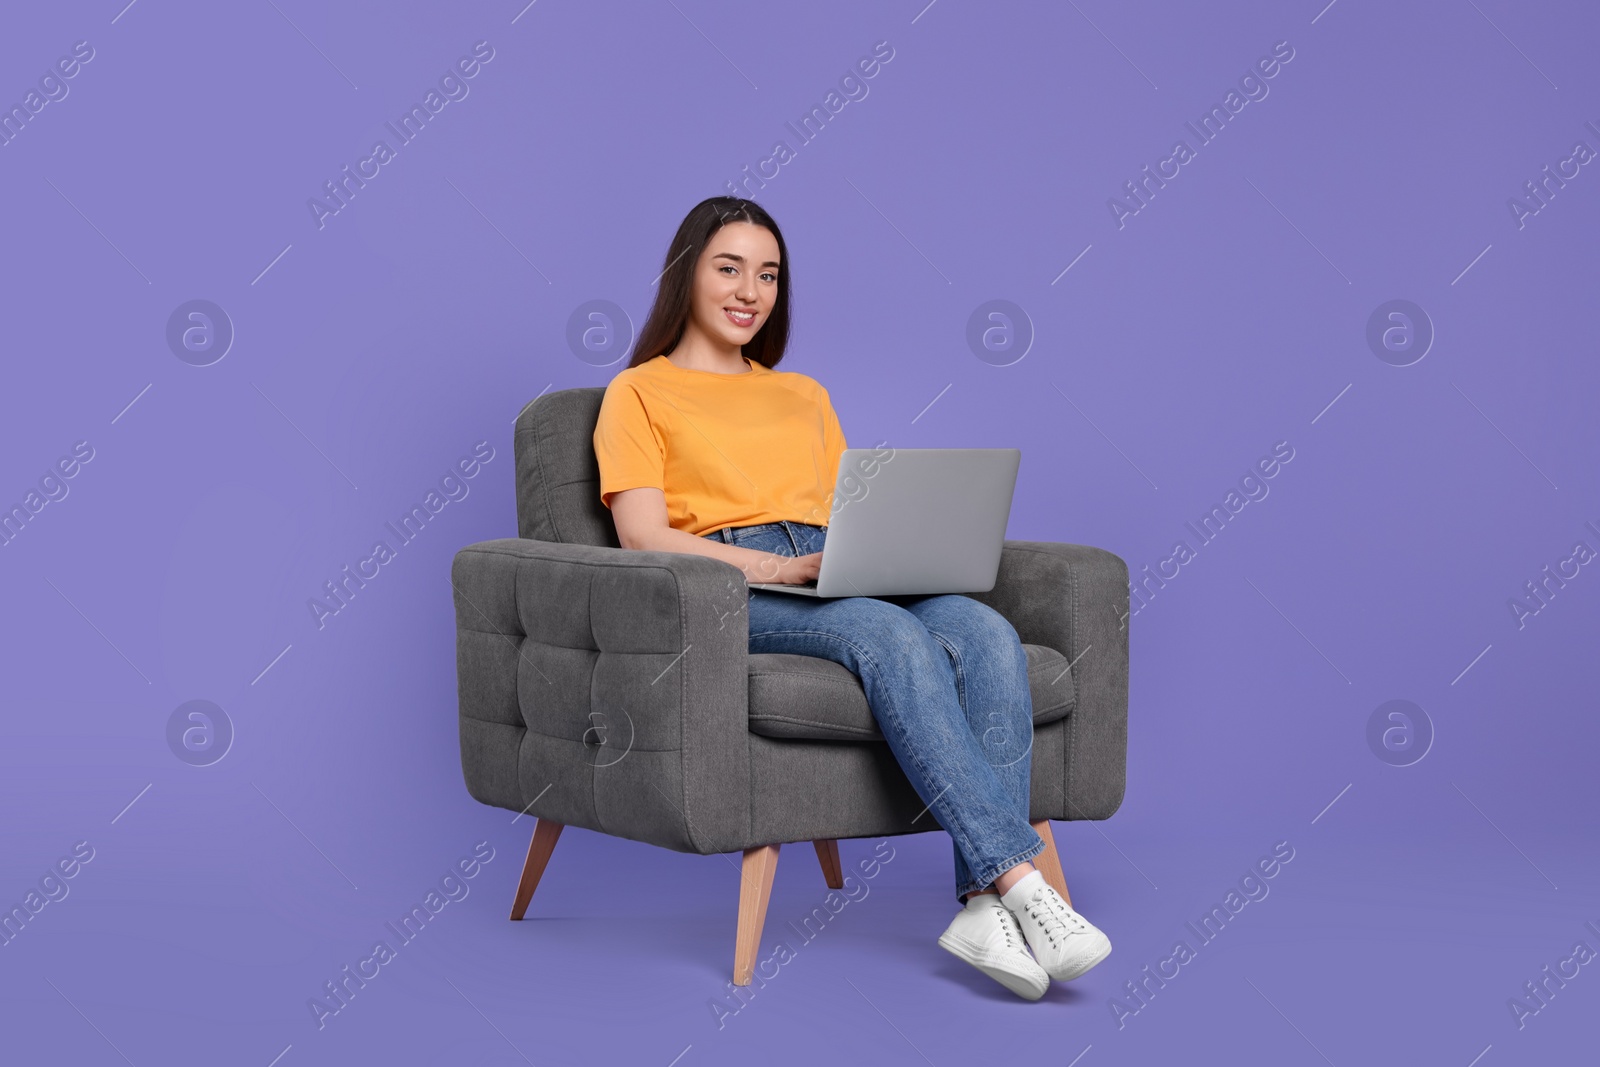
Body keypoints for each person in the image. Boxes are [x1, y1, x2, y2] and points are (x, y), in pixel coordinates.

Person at [591, 196, 1111, 1000]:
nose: (749, 291)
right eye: (729, 268)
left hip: (831, 563)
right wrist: (779, 572)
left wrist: (878, 550)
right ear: (686, 273)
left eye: (767, 275)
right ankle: (1020, 879)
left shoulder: (803, 393)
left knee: (983, 630)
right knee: (889, 637)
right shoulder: (637, 392)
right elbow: (642, 537)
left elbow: (844, 508)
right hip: (728, 584)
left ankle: (978, 907)